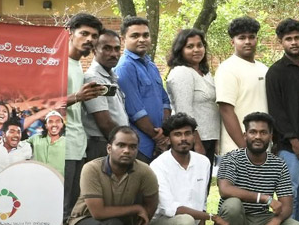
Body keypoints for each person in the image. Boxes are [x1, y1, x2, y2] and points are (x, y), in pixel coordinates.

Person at [215, 112, 299, 225]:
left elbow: (287, 205)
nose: (258, 137)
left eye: (263, 132)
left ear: (271, 137)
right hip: (230, 223)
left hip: (260, 222)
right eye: (253, 132)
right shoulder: (232, 158)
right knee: (232, 204)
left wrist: (276, 221)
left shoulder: (278, 164)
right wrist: (264, 198)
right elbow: (225, 189)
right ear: (245, 135)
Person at [145, 114, 232, 225]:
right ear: (169, 139)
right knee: (185, 220)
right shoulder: (158, 165)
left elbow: (201, 201)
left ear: (194, 136)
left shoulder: (203, 162)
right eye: (178, 134)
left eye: (187, 133)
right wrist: (213, 217)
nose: (183, 138)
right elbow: (173, 209)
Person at [67, 126, 157, 225]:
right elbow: (98, 213)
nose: (127, 150)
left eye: (132, 147)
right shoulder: (92, 169)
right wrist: (136, 208)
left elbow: (150, 207)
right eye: (121, 145)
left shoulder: (144, 172)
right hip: (84, 223)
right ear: (109, 148)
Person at [62, 13, 107, 225]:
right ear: (70, 31)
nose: (89, 40)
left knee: (74, 208)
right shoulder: (55, 63)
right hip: (61, 146)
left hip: (80, 144)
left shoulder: (78, 66)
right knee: (64, 208)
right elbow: (42, 103)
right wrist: (78, 96)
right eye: (84, 34)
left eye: (93, 36)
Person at [266, 19, 299, 224]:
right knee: (290, 194)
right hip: (288, 147)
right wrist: (293, 140)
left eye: (297, 37)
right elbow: (276, 112)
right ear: (281, 42)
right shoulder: (275, 73)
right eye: (289, 39)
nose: (294, 42)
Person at [115, 17, 171, 163]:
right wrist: (158, 136)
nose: (142, 39)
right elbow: (135, 111)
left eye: (145, 35)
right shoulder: (124, 67)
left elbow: (165, 101)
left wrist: (164, 131)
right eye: (135, 36)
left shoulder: (151, 65)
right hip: (140, 146)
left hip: (159, 142)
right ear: (123, 39)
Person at [215, 17, 269, 155]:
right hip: (238, 150)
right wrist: (245, 148)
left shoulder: (264, 69)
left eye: (252, 37)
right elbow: (226, 110)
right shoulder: (227, 69)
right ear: (232, 41)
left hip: (263, 150)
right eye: (242, 38)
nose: (247, 42)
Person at [165, 28, 218, 156]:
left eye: (199, 45)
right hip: (194, 141)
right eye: (190, 46)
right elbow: (184, 112)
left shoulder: (204, 73)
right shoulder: (181, 72)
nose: (196, 50)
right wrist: (196, 143)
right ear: (180, 50)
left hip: (209, 137)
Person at [83, 30, 130, 161]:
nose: (114, 54)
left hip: (114, 143)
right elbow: (104, 123)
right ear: (94, 50)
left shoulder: (111, 77)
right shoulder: (93, 78)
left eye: (117, 49)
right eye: (107, 49)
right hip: (102, 146)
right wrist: (126, 143)